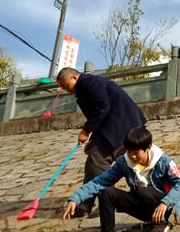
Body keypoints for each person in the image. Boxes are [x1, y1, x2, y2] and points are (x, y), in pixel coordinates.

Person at [62, 126, 180, 232]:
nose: (132, 156)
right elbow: (99, 182)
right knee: (107, 192)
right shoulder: (124, 162)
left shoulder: (164, 161)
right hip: (142, 208)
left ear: (148, 148)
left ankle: (161, 223)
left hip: (162, 207)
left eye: (136, 152)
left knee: (142, 191)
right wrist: (76, 198)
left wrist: (166, 202)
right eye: (129, 152)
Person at [56, 67, 146, 217]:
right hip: (123, 126)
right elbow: (101, 115)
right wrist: (93, 139)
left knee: (96, 162)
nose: (67, 90)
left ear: (74, 77)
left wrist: (86, 130)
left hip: (120, 127)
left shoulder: (89, 83)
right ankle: (136, 198)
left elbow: (102, 108)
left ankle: (107, 200)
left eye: (66, 86)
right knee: (128, 164)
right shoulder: (86, 86)